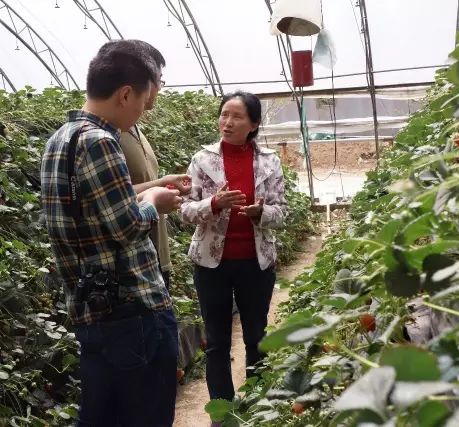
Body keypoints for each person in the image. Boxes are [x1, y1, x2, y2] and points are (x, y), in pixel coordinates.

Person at [41, 40, 180, 427]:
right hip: (132, 311)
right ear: (124, 94)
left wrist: (148, 188)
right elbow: (128, 225)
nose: (142, 110)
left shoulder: (60, 140)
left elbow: (90, 208)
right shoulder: (102, 141)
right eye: (143, 99)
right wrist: (156, 201)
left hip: (91, 308)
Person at [180, 91, 287, 402]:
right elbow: (184, 211)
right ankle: (222, 410)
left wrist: (260, 213)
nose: (227, 122)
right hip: (212, 265)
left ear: (253, 124)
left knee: (256, 337)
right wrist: (213, 203)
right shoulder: (202, 160)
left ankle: (256, 404)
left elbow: (282, 211)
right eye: (224, 114)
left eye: (237, 116)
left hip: (256, 263)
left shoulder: (269, 161)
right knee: (216, 341)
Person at [118, 41, 191, 290]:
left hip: (154, 253)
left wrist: (161, 183)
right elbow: (114, 202)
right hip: (132, 266)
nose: (159, 88)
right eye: (158, 79)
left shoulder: (135, 127)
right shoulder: (105, 137)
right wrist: (154, 197)